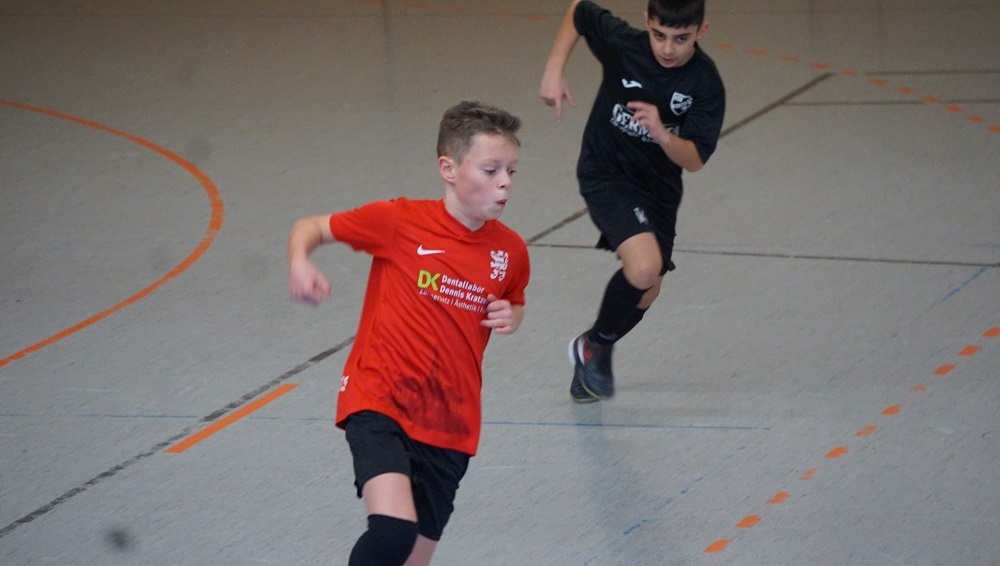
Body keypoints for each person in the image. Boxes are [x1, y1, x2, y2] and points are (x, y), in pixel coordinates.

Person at [287, 101, 529, 566]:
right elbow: (311, 227)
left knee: (410, 560)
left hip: (451, 421)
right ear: (448, 169)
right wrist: (300, 260)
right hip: (380, 398)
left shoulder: (511, 251)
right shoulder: (399, 221)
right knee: (393, 533)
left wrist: (512, 315)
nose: (505, 182)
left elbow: (514, 298)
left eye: (511, 171)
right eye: (491, 169)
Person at [540, 0, 725, 403]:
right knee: (643, 267)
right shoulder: (624, 45)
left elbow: (694, 159)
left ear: (701, 31)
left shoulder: (704, 82)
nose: (668, 48)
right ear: (647, 23)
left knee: (648, 289)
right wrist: (554, 70)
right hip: (606, 173)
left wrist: (662, 134)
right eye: (659, 35)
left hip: (658, 189)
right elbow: (580, 11)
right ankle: (594, 347)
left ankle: (591, 351)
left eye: (681, 38)